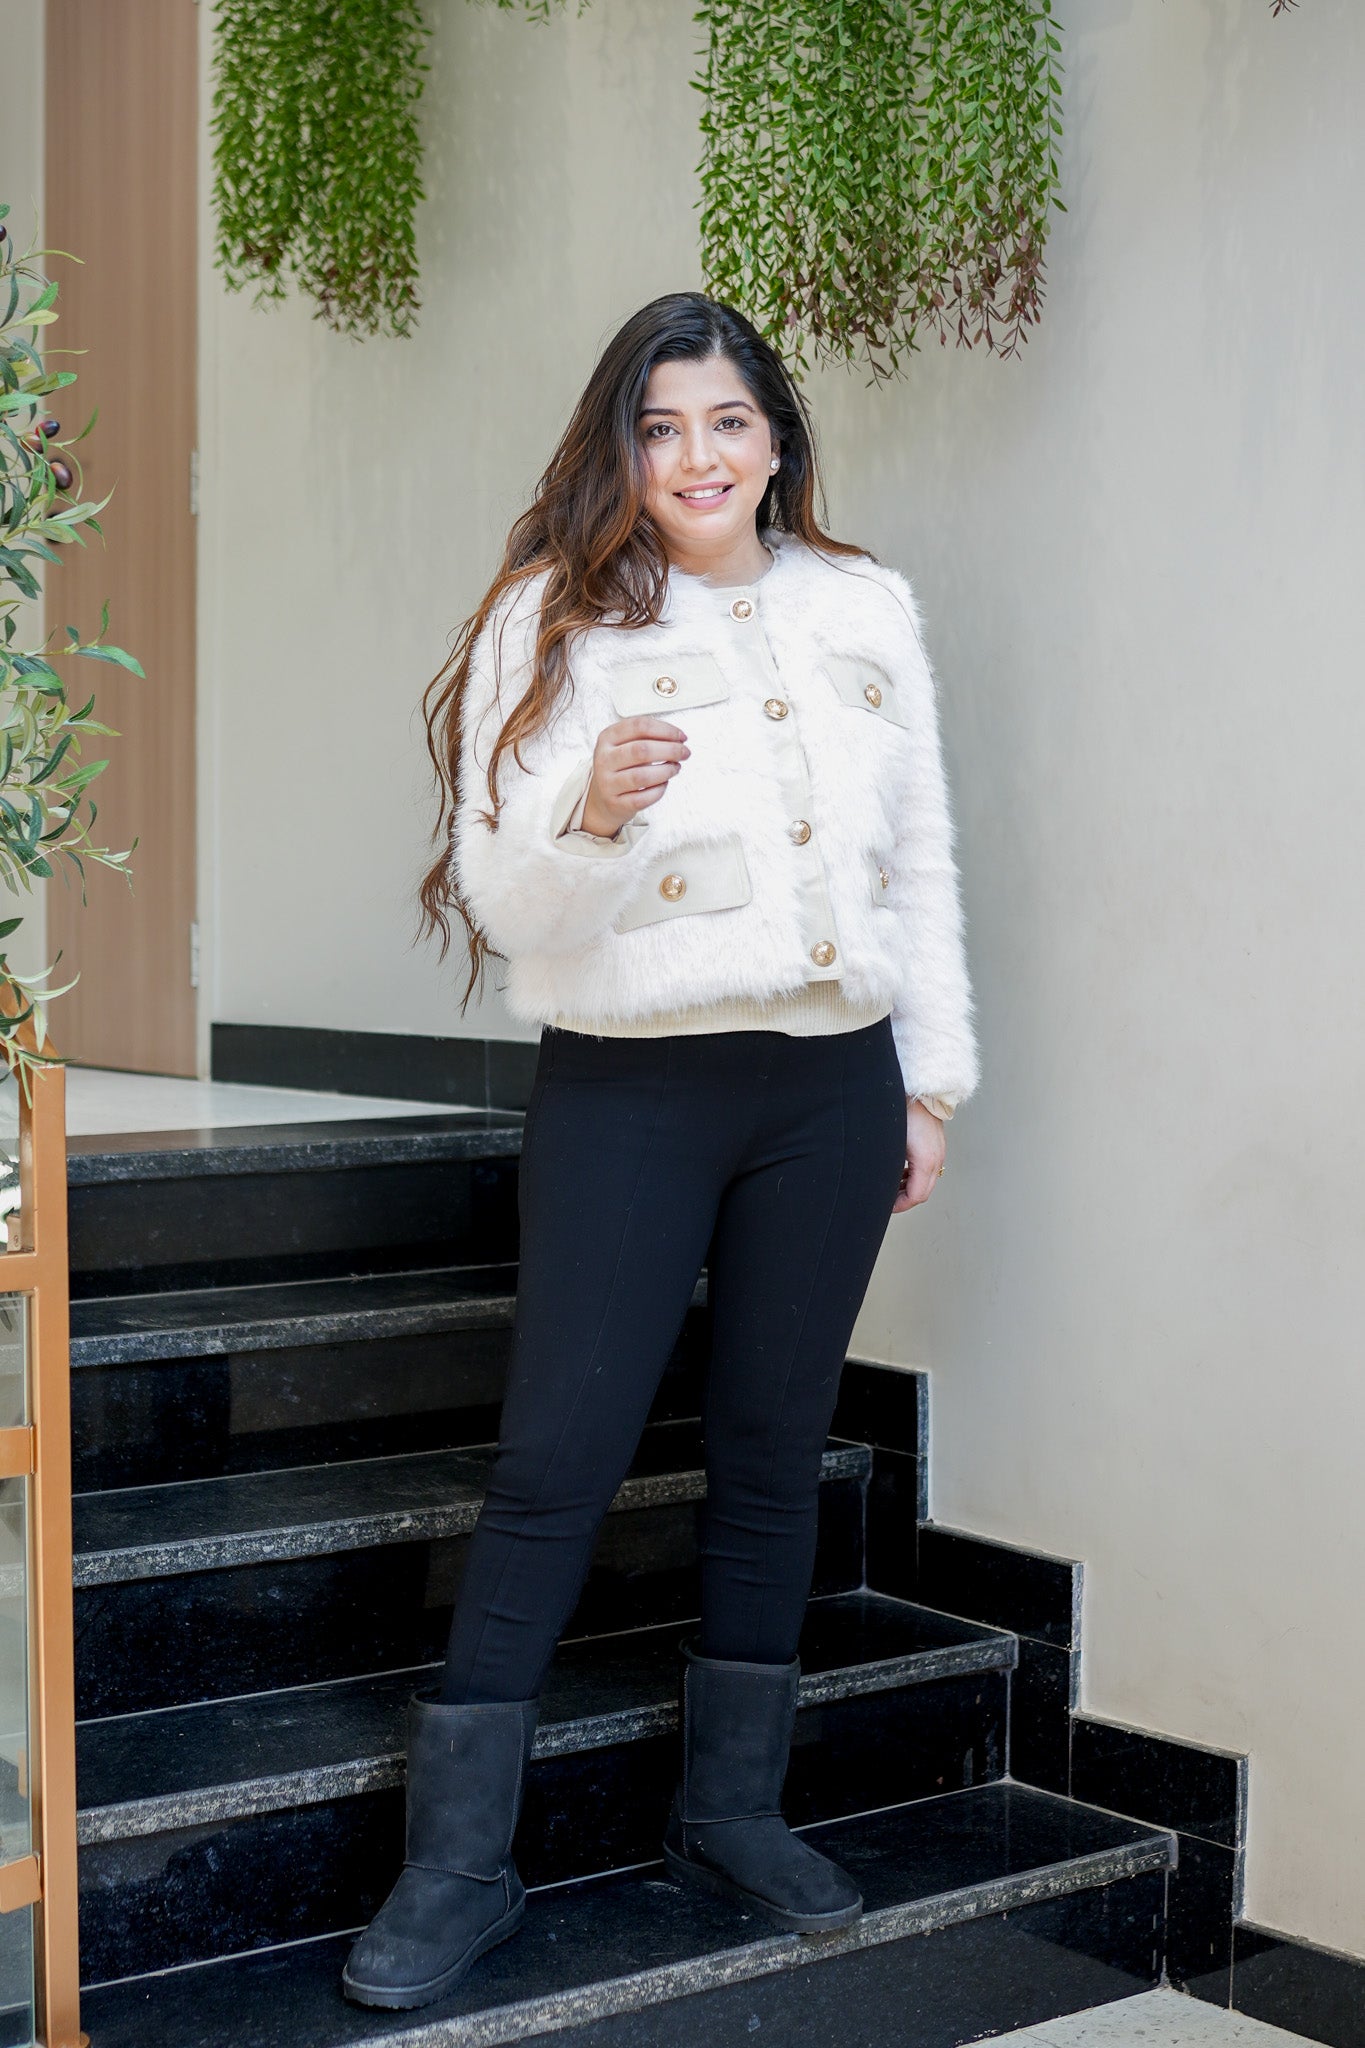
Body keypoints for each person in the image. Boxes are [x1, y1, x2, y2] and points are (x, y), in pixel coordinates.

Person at [342, 292, 978, 2011]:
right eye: (659, 427)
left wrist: (924, 1084)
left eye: (726, 422)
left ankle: (732, 1815)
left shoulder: (861, 604)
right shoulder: (550, 616)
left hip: (829, 1087)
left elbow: (916, 858)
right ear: (618, 450)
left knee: (772, 1448)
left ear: (775, 439)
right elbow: (506, 899)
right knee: (558, 1456)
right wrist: (595, 812)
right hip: (629, 1090)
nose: (696, 457)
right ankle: (456, 1866)